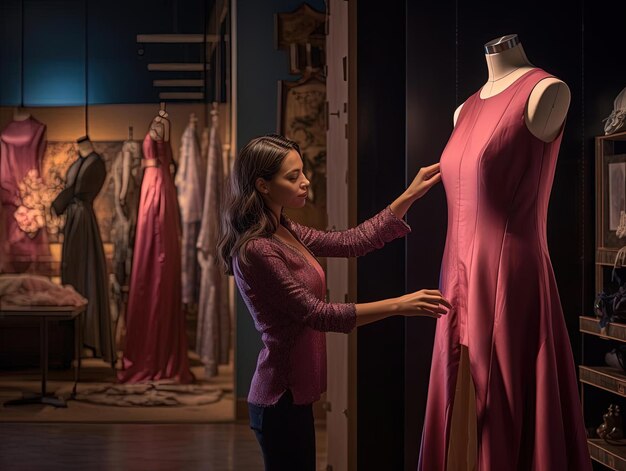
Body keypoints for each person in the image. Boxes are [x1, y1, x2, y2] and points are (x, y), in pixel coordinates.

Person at [217, 133, 450, 471]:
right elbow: (317, 314)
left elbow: (351, 241)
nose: (305, 181)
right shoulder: (258, 249)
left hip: (292, 398)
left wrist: (410, 195)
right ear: (263, 185)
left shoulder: (284, 229)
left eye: (302, 171)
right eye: (292, 176)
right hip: (278, 398)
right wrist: (399, 305)